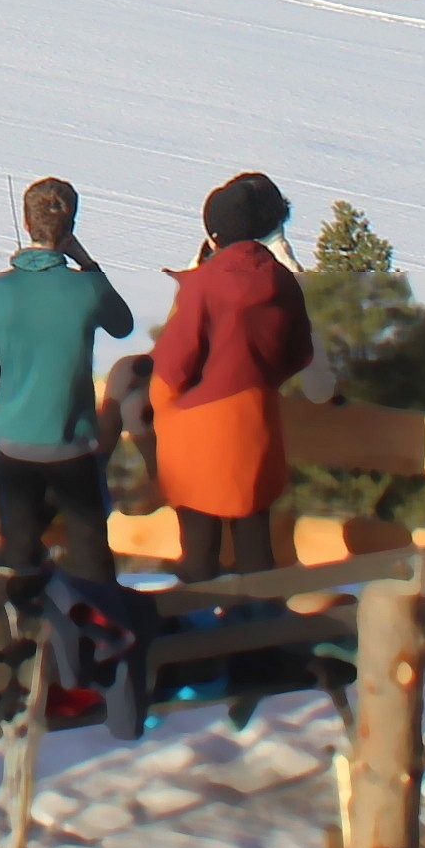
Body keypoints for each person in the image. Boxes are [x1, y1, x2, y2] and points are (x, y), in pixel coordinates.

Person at [0, 176, 133, 595]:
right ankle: (98, 630)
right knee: (90, 546)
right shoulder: (85, 289)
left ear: (26, 224)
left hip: (14, 442)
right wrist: (86, 261)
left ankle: (16, 629)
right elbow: (123, 325)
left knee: (19, 544)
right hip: (74, 443)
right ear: (69, 227)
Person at [149, 169, 314, 581]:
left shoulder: (202, 285)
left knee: (198, 556)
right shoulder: (283, 281)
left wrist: (163, 407)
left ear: (215, 237)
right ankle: (261, 634)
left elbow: (172, 369)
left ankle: (198, 636)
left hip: (200, 438)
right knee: (257, 550)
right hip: (256, 429)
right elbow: (299, 354)